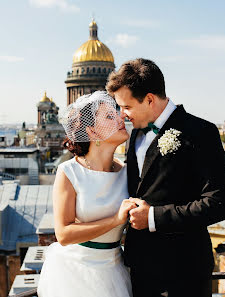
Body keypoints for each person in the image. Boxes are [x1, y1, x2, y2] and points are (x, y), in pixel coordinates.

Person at [106, 58, 225, 297]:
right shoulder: (135, 135)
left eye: (127, 107)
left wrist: (153, 217)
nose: (122, 115)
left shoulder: (201, 132)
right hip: (140, 269)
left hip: (184, 272)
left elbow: (219, 203)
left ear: (150, 99)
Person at [37, 91, 136, 297]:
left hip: (115, 269)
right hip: (76, 274)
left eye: (116, 113)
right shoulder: (69, 171)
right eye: (109, 116)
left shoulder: (128, 172)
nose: (121, 118)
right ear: (92, 132)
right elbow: (63, 235)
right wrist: (115, 219)